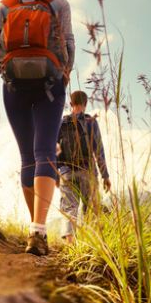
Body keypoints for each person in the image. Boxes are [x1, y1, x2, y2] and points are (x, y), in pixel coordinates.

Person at [0, 0, 74, 257]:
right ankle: (38, 228)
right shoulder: (58, 3)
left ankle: (35, 229)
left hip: (13, 87)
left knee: (27, 157)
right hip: (50, 86)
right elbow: (70, 45)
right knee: (45, 152)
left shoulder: (4, 6)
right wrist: (64, 77)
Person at [57, 90, 111, 242]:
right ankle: (91, 244)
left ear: (70, 103)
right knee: (91, 208)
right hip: (88, 171)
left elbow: (55, 149)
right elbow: (98, 150)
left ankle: (70, 243)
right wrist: (105, 175)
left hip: (66, 171)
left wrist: (56, 174)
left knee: (69, 207)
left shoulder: (61, 123)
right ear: (85, 104)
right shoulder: (91, 122)